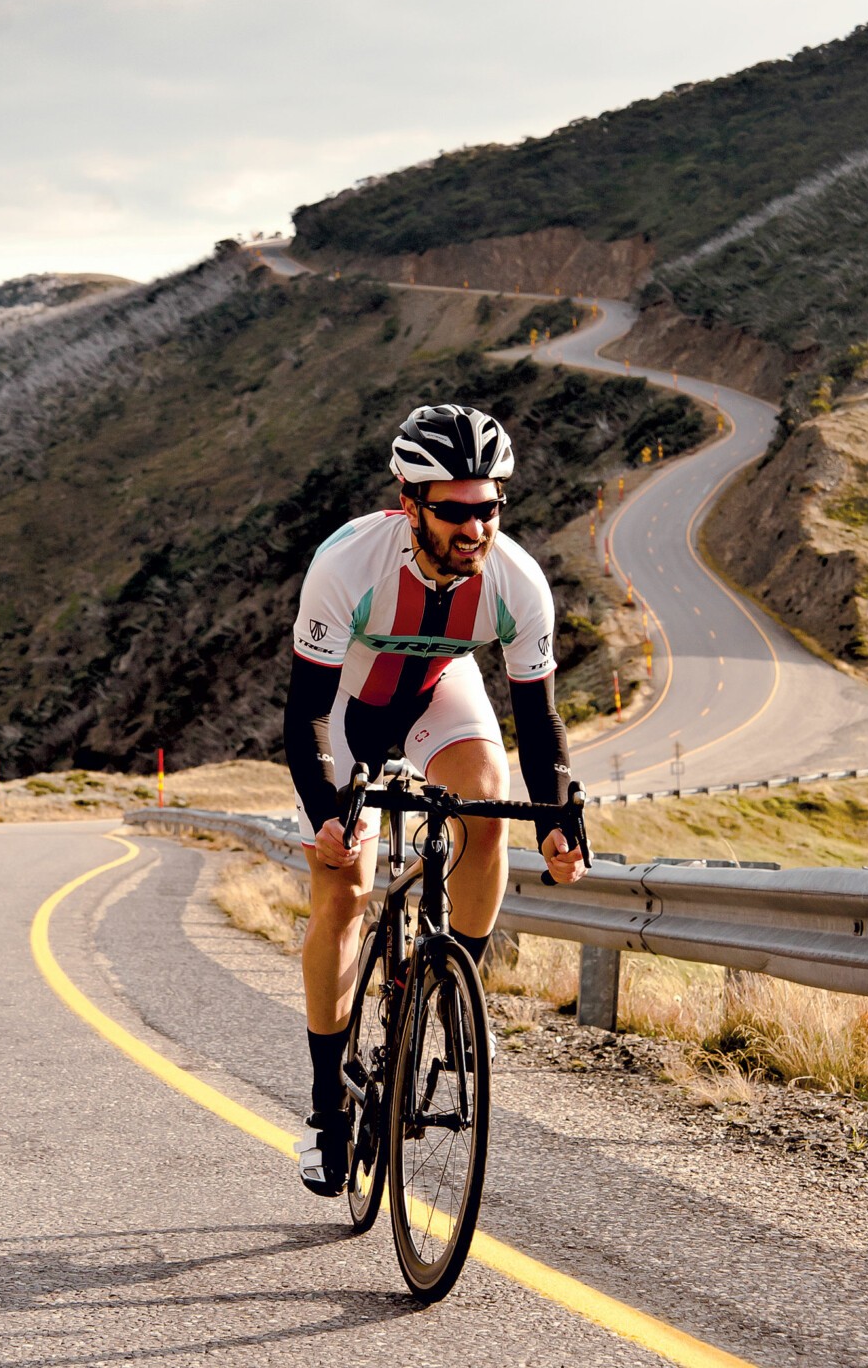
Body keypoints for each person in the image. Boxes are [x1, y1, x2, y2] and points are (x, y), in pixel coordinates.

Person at [284, 403, 586, 1195]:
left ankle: (453, 992)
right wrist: (325, 812)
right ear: (407, 501)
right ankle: (324, 1110)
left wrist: (557, 822)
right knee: (341, 892)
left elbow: (538, 717)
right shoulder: (348, 563)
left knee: (486, 814)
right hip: (349, 705)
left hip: (437, 692)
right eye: (452, 510)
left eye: (487, 508)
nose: (473, 527)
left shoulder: (515, 581)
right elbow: (307, 711)